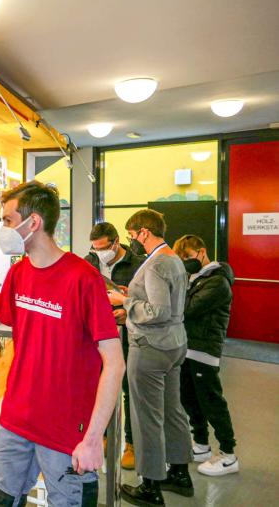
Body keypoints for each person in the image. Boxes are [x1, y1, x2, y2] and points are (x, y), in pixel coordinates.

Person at [0, 181, 124, 507]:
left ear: (33, 223)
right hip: (16, 420)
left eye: (7, 220)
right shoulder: (19, 273)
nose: (3, 228)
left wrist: (92, 439)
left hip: (67, 431)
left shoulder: (83, 278)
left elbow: (115, 363)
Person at [107, 209, 193, 506]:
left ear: (144, 231)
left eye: (133, 235)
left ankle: (151, 485)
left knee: (147, 418)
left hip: (151, 347)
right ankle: (180, 473)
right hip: (174, 343)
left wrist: (124, 300)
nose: (133, 241)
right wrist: (131, 301)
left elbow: (158, 311)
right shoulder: (174, 260)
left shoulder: (155, 264)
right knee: (172, 409)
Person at [173, 234, 238, 476]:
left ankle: (229, 454)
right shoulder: (195, 278)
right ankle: (201, 444)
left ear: (201, 252)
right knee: (190, 399)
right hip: (187, 348)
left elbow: (188, 309)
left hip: (204, 350)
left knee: (212, 402)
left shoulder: (218, 281)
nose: (187, 262)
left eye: (188, 257)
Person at [84, 222, 145, 469]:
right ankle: (103, 436)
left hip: (129, 335)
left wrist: (125, 309)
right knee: (99, 386)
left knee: (129, 388)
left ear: (116, 242)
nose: (99, 253)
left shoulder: (138, 264)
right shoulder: (88, 262)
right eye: (95, 248)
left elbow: (145, 299)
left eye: (103, 248)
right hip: (98, 336)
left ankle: (131, 443)